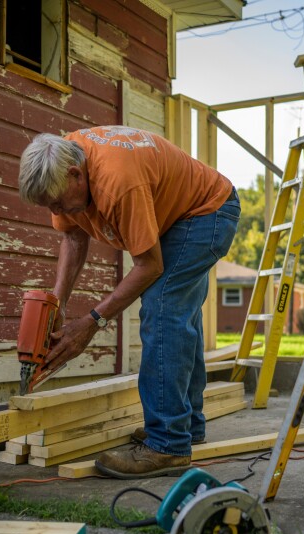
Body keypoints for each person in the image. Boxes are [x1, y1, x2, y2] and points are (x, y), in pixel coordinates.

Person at [18, 126, 240, 479]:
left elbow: (149, 266)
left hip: (206, 213)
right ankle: (187, 424)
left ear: (76, 175)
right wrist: (56, 305)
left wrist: (91, 322)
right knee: (181, 317)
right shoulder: (61, 167)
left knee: (162, 309)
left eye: (57, 203)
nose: (56, 211)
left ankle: (168, 444)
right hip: (177, 213)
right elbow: (73, 237)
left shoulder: (118, 182)